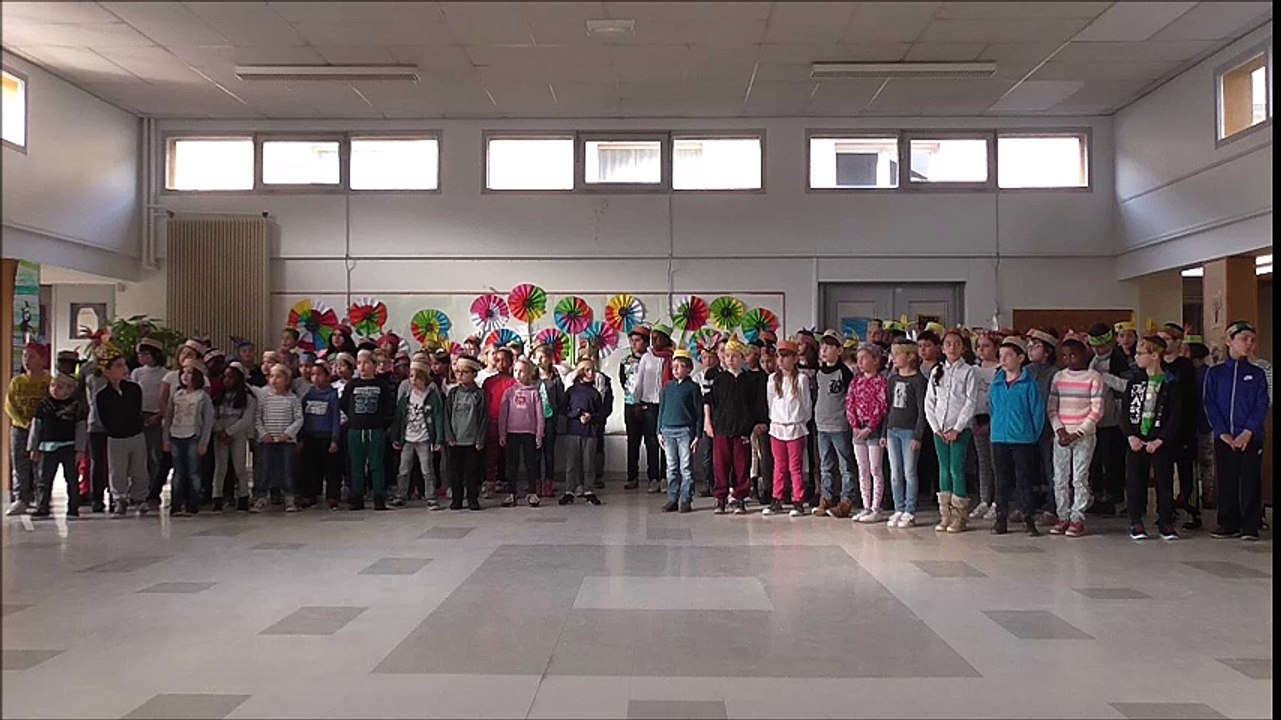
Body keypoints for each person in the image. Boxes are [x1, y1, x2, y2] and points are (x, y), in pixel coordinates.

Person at [1205, 322, 1269, 542]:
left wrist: (1248, 432)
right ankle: (1228, 522)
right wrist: (1222, 432)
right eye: (1244, 339)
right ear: (1229, 341)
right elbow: (1210, 403)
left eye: (1252, 340)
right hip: (1225, 437)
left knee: (1250, 480)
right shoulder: (1216, 373)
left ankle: (1250, 524)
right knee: (1226, 479)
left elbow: (1261, 404)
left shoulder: (1257, 374)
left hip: (1250, 437)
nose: (1249, 344)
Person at [1121, 335, 1183, 541]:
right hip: (1136, 441)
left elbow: (1175, 416)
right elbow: (1125, 412)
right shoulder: (1134, 382)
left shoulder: (1171, 382)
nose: (1136, 357)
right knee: (1135, 481)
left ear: (1155, 355)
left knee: (1164, 482)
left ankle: (1165, 521)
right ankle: (1136, 521)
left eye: (1140, 354)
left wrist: (1161, 439)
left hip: (1160, 442)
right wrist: (1131, 435)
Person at [1047, 338, 1104, 537]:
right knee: (1060, 477)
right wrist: (1060, 430)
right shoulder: (1058, 377)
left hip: (1083, 435)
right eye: (1064, 356)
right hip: (1062, 435)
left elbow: (1097, 410)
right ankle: (1062, 515)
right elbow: (1052, 407)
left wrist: (1079, 432)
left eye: (1073, 355)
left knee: (1079, 478)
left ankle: (1077, 517)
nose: (1069, 359)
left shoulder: (1093, 377)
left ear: (1084, 355)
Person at [988, 337, 1045, 537]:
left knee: (1024, 479)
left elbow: (1037, 412)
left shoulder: (1029, 384)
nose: (1003, 360)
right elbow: (992, 408)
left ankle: (1028, 517)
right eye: (1001, 356)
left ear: (1020, 358)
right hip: (999, 438)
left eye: (1008, 355)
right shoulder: (996, 384)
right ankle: (1000, 517)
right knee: (1001, 479)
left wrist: (1030, 434)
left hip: (1023, 439)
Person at [924, 329, 978, 532]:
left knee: (957, 469)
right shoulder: (937, 371)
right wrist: (936, 427)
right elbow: (930, 402)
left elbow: (970, 402)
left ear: (963, 348)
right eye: (948, 344)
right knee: (944, 469)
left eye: (957, 344)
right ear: (942, 348)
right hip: (940, 429)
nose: (952, 348)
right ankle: (945, 514)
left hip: (959, 430)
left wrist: (957, 428)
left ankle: (959, 516)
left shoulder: (968, 372)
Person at [706, 340, 761, 516]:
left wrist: (752, 425)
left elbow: (754, 406)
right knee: (721, 465)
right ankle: (720, 497)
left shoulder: (749, 381)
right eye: (727, 356)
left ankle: (739, 497)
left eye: (735, 356)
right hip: (722, 428)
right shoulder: (719, 381)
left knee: (742, 466)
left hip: (742, 430)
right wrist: (708, 422)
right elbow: (710, 402)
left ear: (743, 359)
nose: (730, 359)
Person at [1157, 323, 1202, 530]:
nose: (1163, 344)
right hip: (1162, 426)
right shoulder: (1157, 364)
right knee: (1164, 473)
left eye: (1167, 339)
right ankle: (1167, 511)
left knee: (1186, 471)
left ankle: (1192, 511)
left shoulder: (1185, 366)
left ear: (1177, 342)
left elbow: (1188, 397)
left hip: (1184, 427)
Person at [96, 347, 149, 517]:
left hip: (136, 434)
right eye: (118, 366)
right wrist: (115, 428)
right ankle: (120, 498)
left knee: (139, 469)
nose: (124, 369)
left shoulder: (134, 389)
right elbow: (105, 418)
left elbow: (137, 410)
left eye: (124, 365)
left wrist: (136, 424)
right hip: (116, 437)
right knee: (117, 470)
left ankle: (140, 498)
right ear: (107, 371)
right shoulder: (103, 395)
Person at [340, 350, 397, 511]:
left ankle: (379, 496)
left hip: (375, 429)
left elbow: (388, 406)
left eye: (366, 362)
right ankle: (357, 497)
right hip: (355, 429)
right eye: (359, 363)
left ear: (374, 365)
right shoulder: (352, 385)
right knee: (356, 464)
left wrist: (384, 424)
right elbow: (344, 404)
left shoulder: (381, 385)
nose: (362, 366)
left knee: (376, 464)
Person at [761, 341, 812, 518]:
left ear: (795, 358)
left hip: (795, 427)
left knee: (795, 466)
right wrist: (776, 419)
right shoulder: (772, 379)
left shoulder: (802, 379)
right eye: (779, 357)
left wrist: (799, 420)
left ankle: (798, 500)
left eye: (785, 356)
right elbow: (770, 402)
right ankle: (777, 498)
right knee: (779, 465)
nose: (781, 360)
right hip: (777, 428)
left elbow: (806, 404)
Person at [882, 339, 928, 528]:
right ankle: (898, 507)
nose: (893, 358)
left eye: (897, 354)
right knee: (895, 472)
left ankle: (910, 510)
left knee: (909, 472)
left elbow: (922, 410)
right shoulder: (892, 380)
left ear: (909, 357)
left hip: (909, 432)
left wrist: (918, 435)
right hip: (892, 430)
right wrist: (884, 432)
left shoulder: (919, 381)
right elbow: (888, 407)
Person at [1086, 323, 1131, 517]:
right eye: (1094, 346)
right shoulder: (1089, 360)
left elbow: (1129, 386)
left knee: (1112, 461)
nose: (1098, 350)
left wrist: (1107, 378)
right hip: (1092, 422)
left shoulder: (1120, 360)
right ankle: (1097, 496)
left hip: (1113, 421)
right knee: (1094, 462)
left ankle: (1114, 497)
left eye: (1101, 346)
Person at [26, 373, 86, 519]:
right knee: (44, 479)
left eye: (59, 387)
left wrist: (80, 449)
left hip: (68, 447)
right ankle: (43, 506)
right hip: (47, 447)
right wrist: (33, 448)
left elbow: (81, 429)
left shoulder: (76, 407)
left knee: (71, 479)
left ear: (70, 389)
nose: (54, 389)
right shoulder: (44, 405)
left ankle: (73, 508)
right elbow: (36, 427)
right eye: (52, 386)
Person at [812, 333, 856, 518]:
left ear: (839, 350)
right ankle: (827, 497)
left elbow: (850, 398)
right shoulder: (819, 373)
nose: (824, 351)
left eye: (829, 347)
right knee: (825, 465)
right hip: (822, 425)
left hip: (839, 425)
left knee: (845, 465)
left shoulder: (844, 373)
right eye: (822, 347)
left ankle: (847, 500)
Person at [4, 341, 51, 515]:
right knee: (20, 463)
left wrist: (39, 424)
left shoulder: (48, 381)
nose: (27, 360)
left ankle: (41, 499)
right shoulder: (17, 382)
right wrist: (24, 423)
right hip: (20, 429)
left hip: (41, 430)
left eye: (32, 356)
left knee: (40, 465)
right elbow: (9, 406)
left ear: (42, 359)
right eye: (25, 356)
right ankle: (21, 498)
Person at [162, 362, 214, 517]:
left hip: (193, 436)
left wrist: (203, 442)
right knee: (178, 472)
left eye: (189, 373)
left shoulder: (202, 397)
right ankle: (176, 504)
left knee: (193, 472)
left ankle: (193, 503)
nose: (185, 376)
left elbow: (208, 421)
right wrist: (166, 439)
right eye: (183, 372)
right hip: (176, 436)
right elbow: (168, 417)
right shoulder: (176, 395)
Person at [847, 345, 889, 523]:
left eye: (864, 358)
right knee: (862, 468)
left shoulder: (881, 382)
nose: (860, 362)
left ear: (875, 360)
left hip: (873, 430)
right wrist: (855, 426)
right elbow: (849, 403)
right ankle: (865, 505)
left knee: (875, 469)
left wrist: (870, 427)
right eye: (858, 359)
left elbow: (882, 406)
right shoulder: (856, 381)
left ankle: (876, 507)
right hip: (858, 430)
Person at [659, 350, 702, 513]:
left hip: (685, 431)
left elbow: (699, 413)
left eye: (680, 366)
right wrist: (659, 430)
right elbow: (661, 410)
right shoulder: (667, 387)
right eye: (674, 366)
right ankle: (672, 498)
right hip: (667, 430)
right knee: (671, 467)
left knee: (686, 467)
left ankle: (686, 499)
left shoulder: (693, 388)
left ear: (689, 369)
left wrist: (697, 434)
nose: (676, 369)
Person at [498, 358, 545, 508]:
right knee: (512, 464)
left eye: (522, 371)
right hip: (512, 433)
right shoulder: (509, 393)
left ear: (529, 373)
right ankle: (511, 493)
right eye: (515, 371)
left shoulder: (534, 393)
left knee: (531, 463)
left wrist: (539, 434)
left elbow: (539, 415)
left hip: (529, 433)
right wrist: (502, 433)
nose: (518, 374)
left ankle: (532, 492)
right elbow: (503, 414)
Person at [1024, 329, 1059, 526]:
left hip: (1048, 428)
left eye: (1036, 346)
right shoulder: (1026, 371)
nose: (1030, 349)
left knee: (1050, 469)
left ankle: (1052, 507)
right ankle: (1025, 506)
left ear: (1047, 351)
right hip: (1027, 427)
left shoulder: (1054, 374)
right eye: (1029, 346)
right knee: (1026, 468)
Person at [632, 323, 673, 493]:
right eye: (652, 338)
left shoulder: (672, 358)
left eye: (658, 338)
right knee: (651, 441)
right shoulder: (646, 358)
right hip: (649, 404)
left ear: (666, 340)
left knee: (666, 441)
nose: (654, 341)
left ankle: (665, 477)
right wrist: (636, 402)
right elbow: (639, 381)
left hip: (667, 404)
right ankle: (653, 477)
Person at [443, 357, 486, 511]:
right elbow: (446, 416)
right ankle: (457, 499)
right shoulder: (453, 393)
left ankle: (472, 498)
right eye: (458, 372)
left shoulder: (479, 394)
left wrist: (480, 439)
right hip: (455, 440)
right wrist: (449, 436)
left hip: (472, 441)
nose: (460, 375)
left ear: (474, 374)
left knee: (471, 472)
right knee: (455, 472)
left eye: (465, 372)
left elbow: (483, 418)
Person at [212, 363, 256, 512]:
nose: (227, 380)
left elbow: (247, 419)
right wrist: (219, 431)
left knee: (239, 467)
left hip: (238, 434)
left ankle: (243, 496)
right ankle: (217, 496)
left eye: (231, 377)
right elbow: (212, 416)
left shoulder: (247, 398)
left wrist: (229, 432)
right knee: (220, 467)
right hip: (220, 435)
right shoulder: (218, 397)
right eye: (225, 377)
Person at [299, 362, 343, 509]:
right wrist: (301, 438)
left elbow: (336, 418)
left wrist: (335, 439)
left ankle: (332, 496)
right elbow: (302, 418)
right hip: (311, 437)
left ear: (327, 376)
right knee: (310, 468)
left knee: (331, 469)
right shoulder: (308, 396)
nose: (316, 378)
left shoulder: (332, 395)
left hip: (327, 437)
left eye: (319, 374)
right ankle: (310, 494)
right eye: (313, 375)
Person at [130, 338, 168, 504]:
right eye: (139, 354)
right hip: (139, 416)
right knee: (140, 455)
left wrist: (159, 415)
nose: (141, 357)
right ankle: (139, 488)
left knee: (154, 454)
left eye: (145, 354)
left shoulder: (164, 373)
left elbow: (166, 398)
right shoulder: (137, 373)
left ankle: (153, 488)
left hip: (157, 417)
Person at [562, 360, 605, 506]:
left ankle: (589, 490)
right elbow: (563, 409)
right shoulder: (571, 391)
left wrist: (591, 417)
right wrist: (577, 413)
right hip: (573, 431)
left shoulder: (595, 393)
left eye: (592, 370)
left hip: (590, 433)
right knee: (571, 463)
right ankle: (569, 490)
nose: (591, 373)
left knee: (589, 463)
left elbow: (601, 413)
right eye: (587, 370)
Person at [969, 331, 1001, 521]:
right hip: (978, 419)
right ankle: (984, 499)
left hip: (996, 420)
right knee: (983, 462)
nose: (981, 350)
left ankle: (997, 501)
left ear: (996, 348)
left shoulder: (1000, 369)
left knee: (997, 463)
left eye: (986, 346)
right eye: (979, 346)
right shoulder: (974, 370)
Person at [481, 347, 516, 500]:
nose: (501, 363)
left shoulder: (514, 383)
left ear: (510, 362)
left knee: (509, 454)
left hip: (510, 422)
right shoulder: (489, 382)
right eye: (498, 360)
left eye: (504, 360)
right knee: (491, 454)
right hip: (493, 421)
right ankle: (490, 482)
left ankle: (508, 483)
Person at [620, 326, 652, 490]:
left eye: (637, 340)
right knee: (633, 442)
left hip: (649, 404)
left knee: (651, 441)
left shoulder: (653, 360)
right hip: (631, 405)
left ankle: (654, 477)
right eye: (632, 340)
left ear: (646, 342)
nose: (634, 344)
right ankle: (632, 477)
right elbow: (623, 381)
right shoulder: (625, 361)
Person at [533, 344, 565, 499]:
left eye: (542, 357)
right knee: (536, 454)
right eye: (537, 357)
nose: (539, 360)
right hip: (534, 422)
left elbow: (561, 400)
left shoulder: (555, 379)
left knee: (549, 453)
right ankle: (536, 482)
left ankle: (549, 482)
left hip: (550, 420)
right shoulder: (532, 379)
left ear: (549, 358)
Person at [692, 341, 723, 498]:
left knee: (721, 454)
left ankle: (721, 483)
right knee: (707, 453)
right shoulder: (697, 378)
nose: (708, 361)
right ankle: (708, 483)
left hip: (720, 418)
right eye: (705, 358)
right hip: (705, 418)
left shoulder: (721, 376)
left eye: (711, 357)